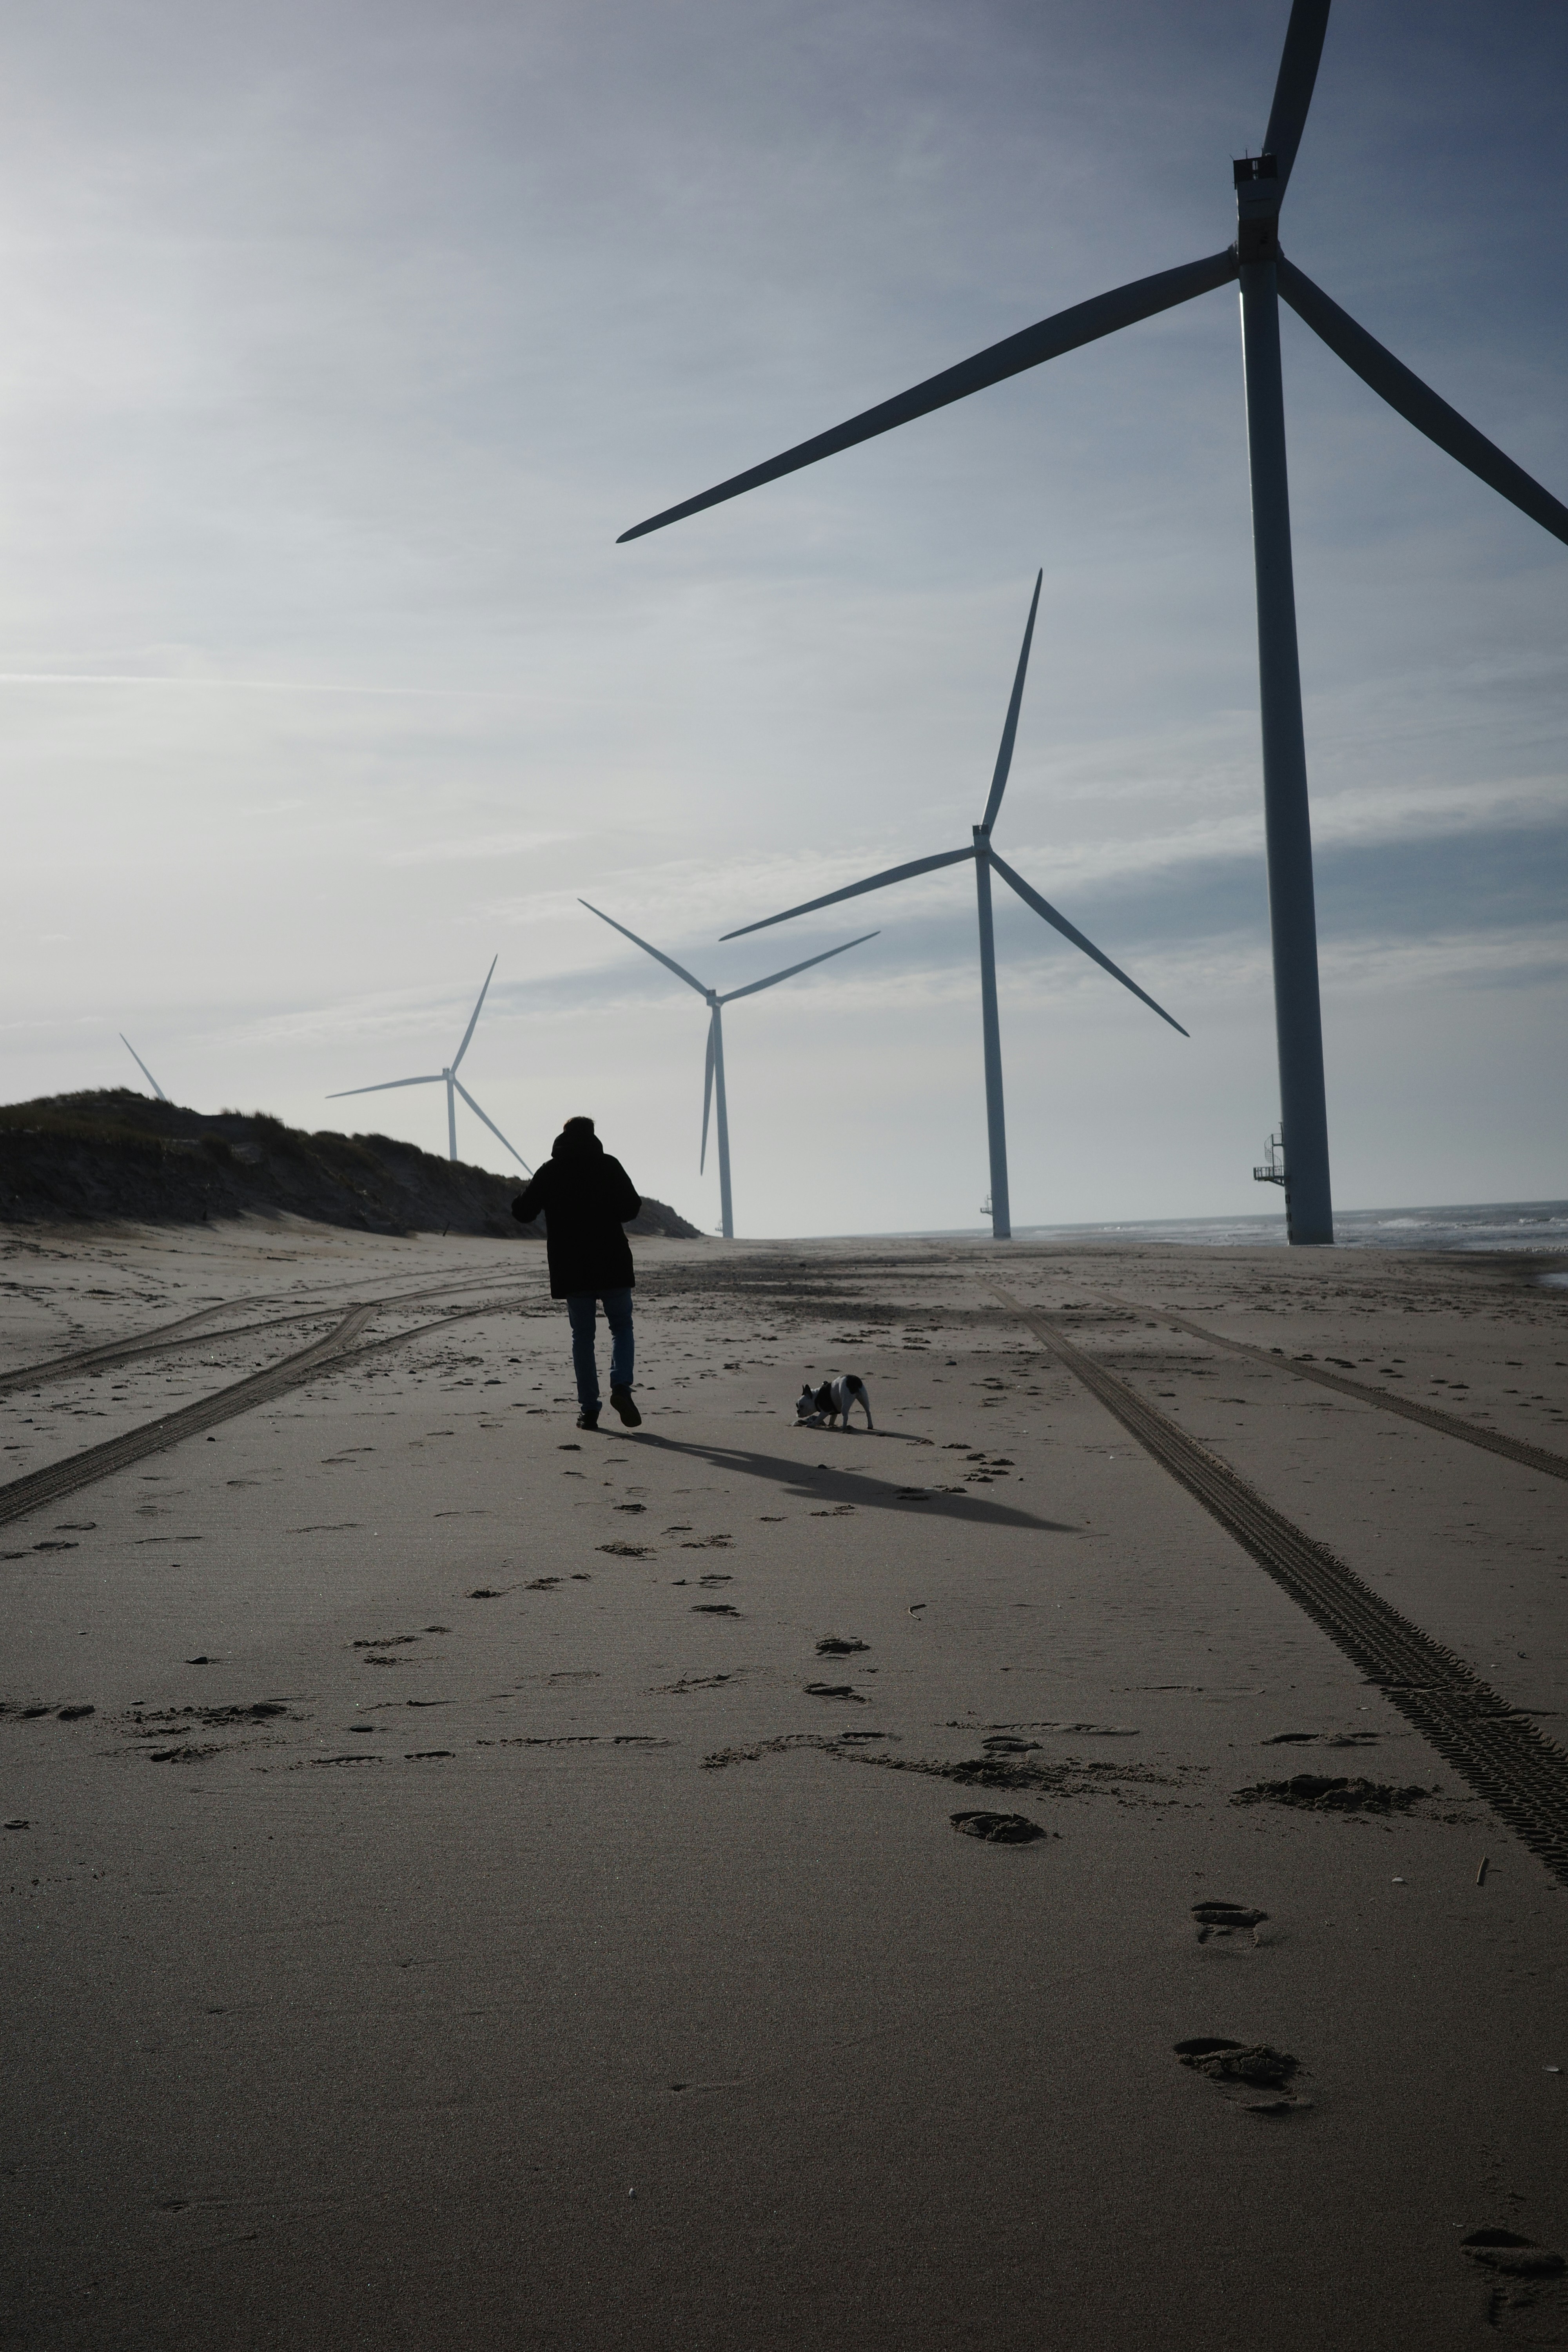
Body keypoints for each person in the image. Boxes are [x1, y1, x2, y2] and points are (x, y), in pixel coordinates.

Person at [513, 1116, 642, 1431]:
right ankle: (621, 1386)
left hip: (572, 1267)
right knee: (621, 1328)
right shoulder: (609, 1165)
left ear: (563, 1136)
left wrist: (525, 1195)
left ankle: (589, 1410)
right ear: (593, 1135)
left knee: (583, 1338)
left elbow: (523, 1212)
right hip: (612, 1261)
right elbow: (631, 1208)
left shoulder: (551, 1170)